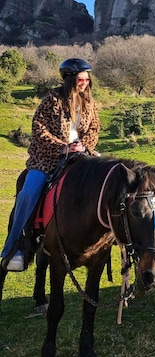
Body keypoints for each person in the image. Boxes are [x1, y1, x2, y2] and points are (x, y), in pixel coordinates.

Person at [1, 58, 100, 271]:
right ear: (70, 78)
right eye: (81, 78)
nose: (85, 82)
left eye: (87, 78)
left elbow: (94, 128)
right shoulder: (52, 99)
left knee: (104, 181)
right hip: (48, 159)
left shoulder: (89, 102)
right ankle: (15, 247)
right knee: (29, 192)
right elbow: (38, 128)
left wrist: (84, 145)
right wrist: (62, 147)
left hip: (82, 155)